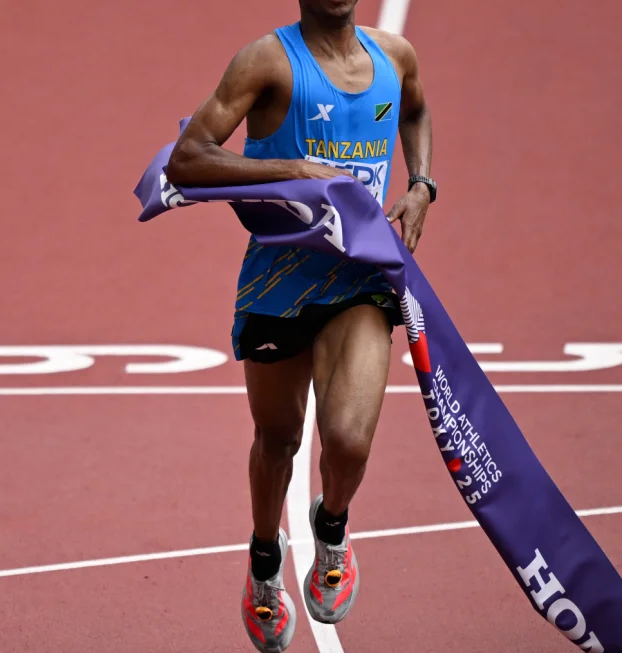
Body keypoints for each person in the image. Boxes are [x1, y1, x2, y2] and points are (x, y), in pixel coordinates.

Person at [164, 1, 436, 650]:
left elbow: (417, 111)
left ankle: (332, 525)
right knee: (278, 437)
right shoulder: (267, 62)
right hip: (278, 278)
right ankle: (264, 562)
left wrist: (423, 182)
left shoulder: (393, 58)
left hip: (360, 280)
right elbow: (187, 158)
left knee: (348, 437)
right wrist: (292, 169)